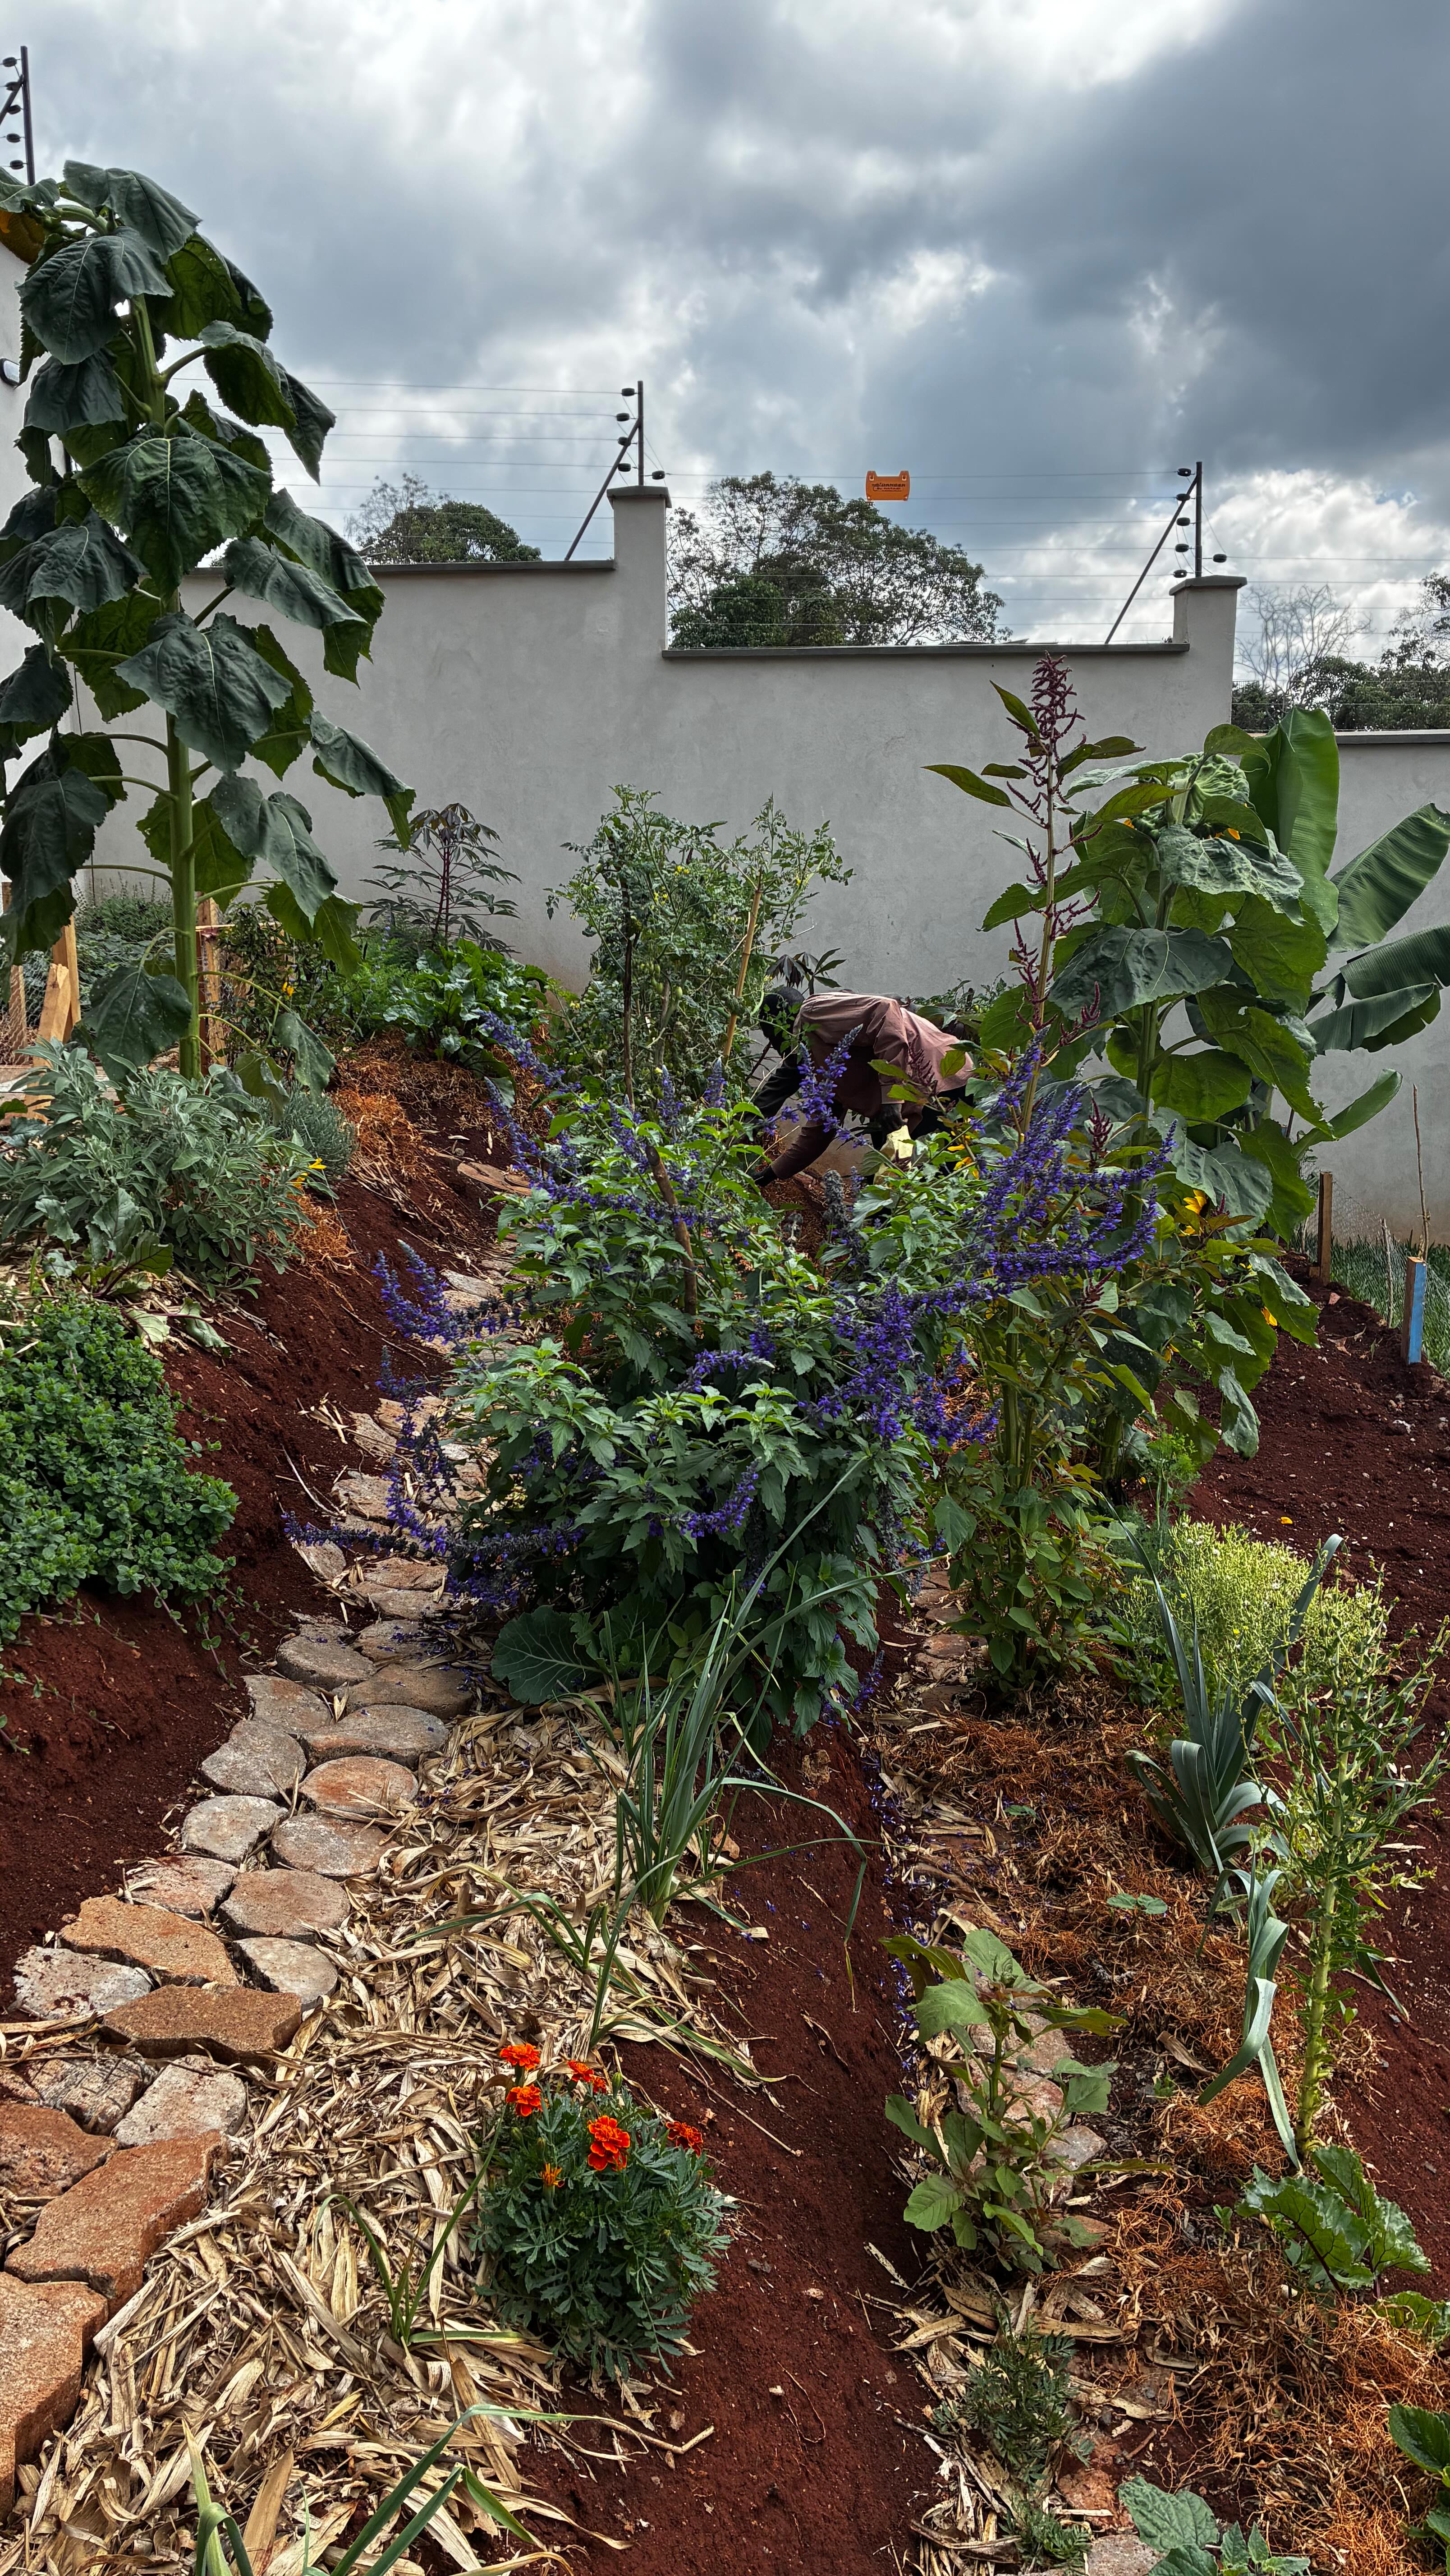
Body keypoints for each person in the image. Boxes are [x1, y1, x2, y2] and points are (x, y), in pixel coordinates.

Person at [749, 985, 973, 1185]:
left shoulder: (812, 1012)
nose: (774, 1046)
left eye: (769, 1033)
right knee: (891, 1185)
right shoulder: (818, 1057)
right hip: (919, 1094)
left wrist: (891, 1101)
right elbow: (821, 1129)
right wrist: (771, 1175)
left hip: (942, 1079)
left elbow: (885, 1010)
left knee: (928, 1180)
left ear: (780, 1021)